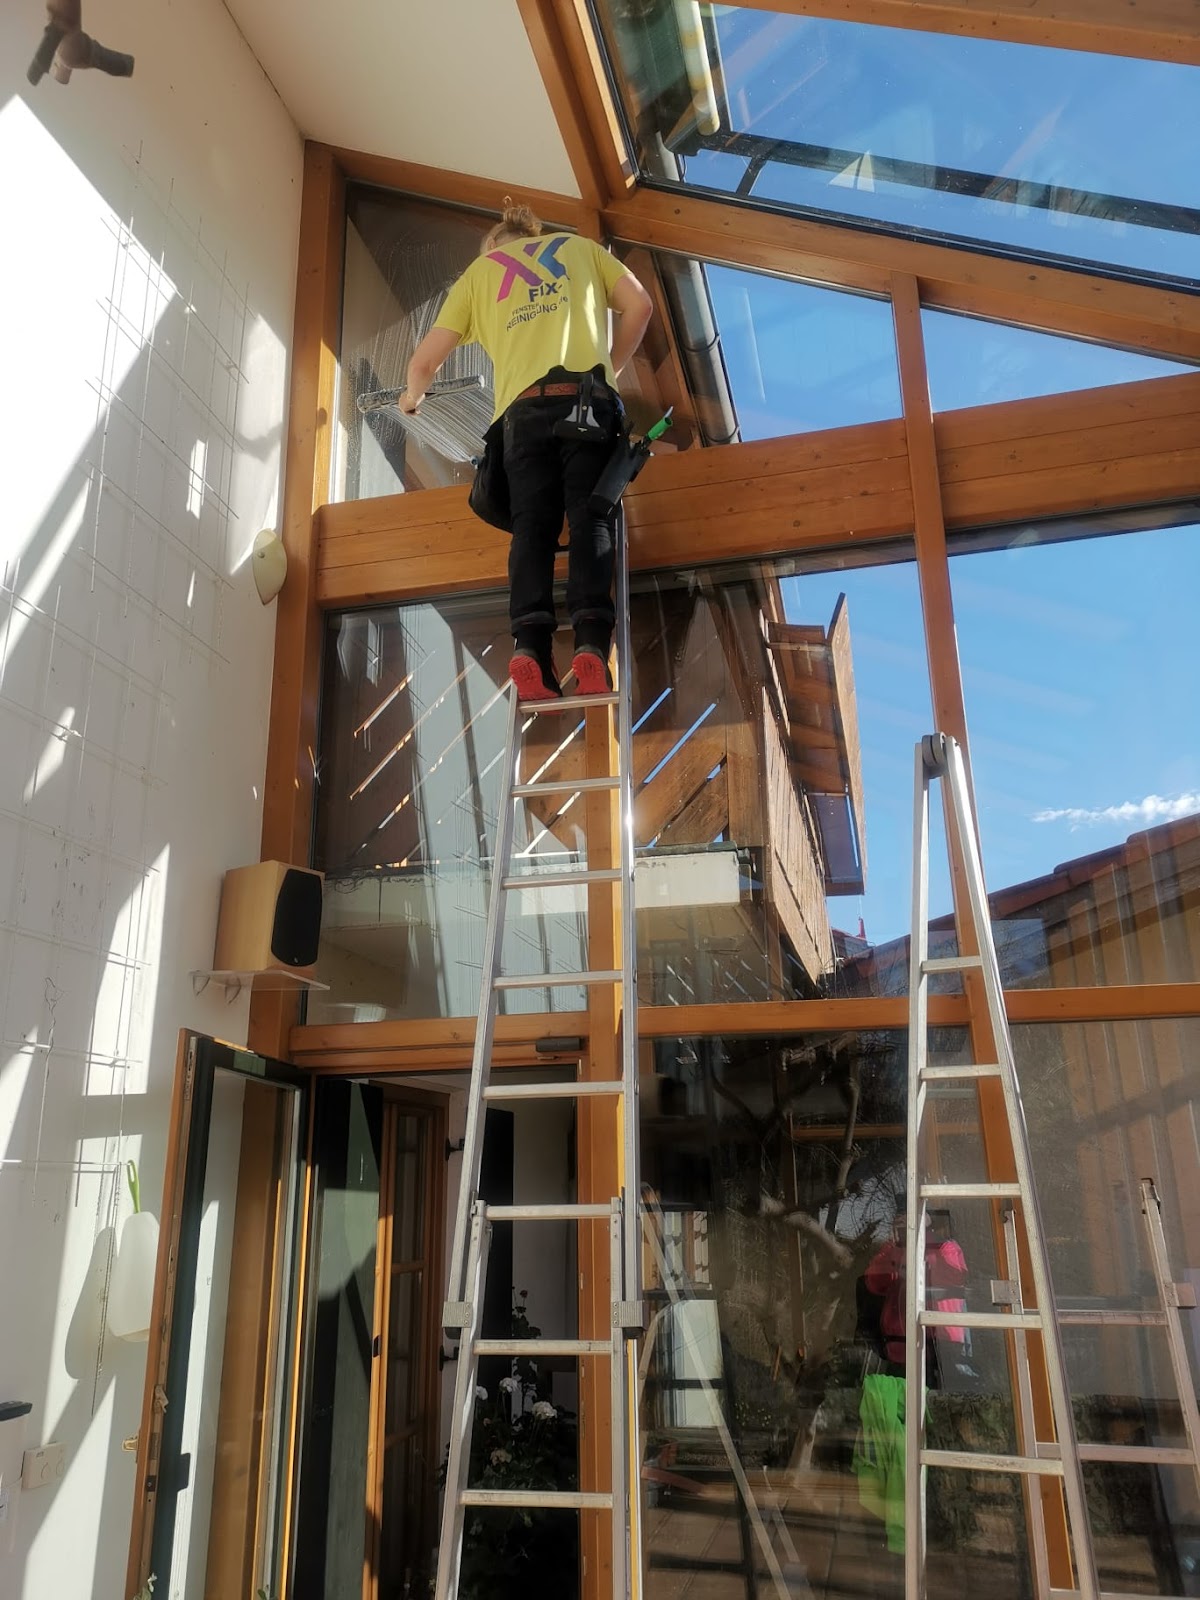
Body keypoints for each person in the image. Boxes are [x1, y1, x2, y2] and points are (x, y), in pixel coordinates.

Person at [401, 203, 653, 703]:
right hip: (588, 402)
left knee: (532, 528)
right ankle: (591, 641)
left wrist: (411, 398)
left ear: (495, 245)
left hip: (522, 415)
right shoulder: (581, 250)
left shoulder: (480, 274)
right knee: (591, 517)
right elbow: (640, 306)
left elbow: (424, 363)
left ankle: (530, 646)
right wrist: (609, 369)